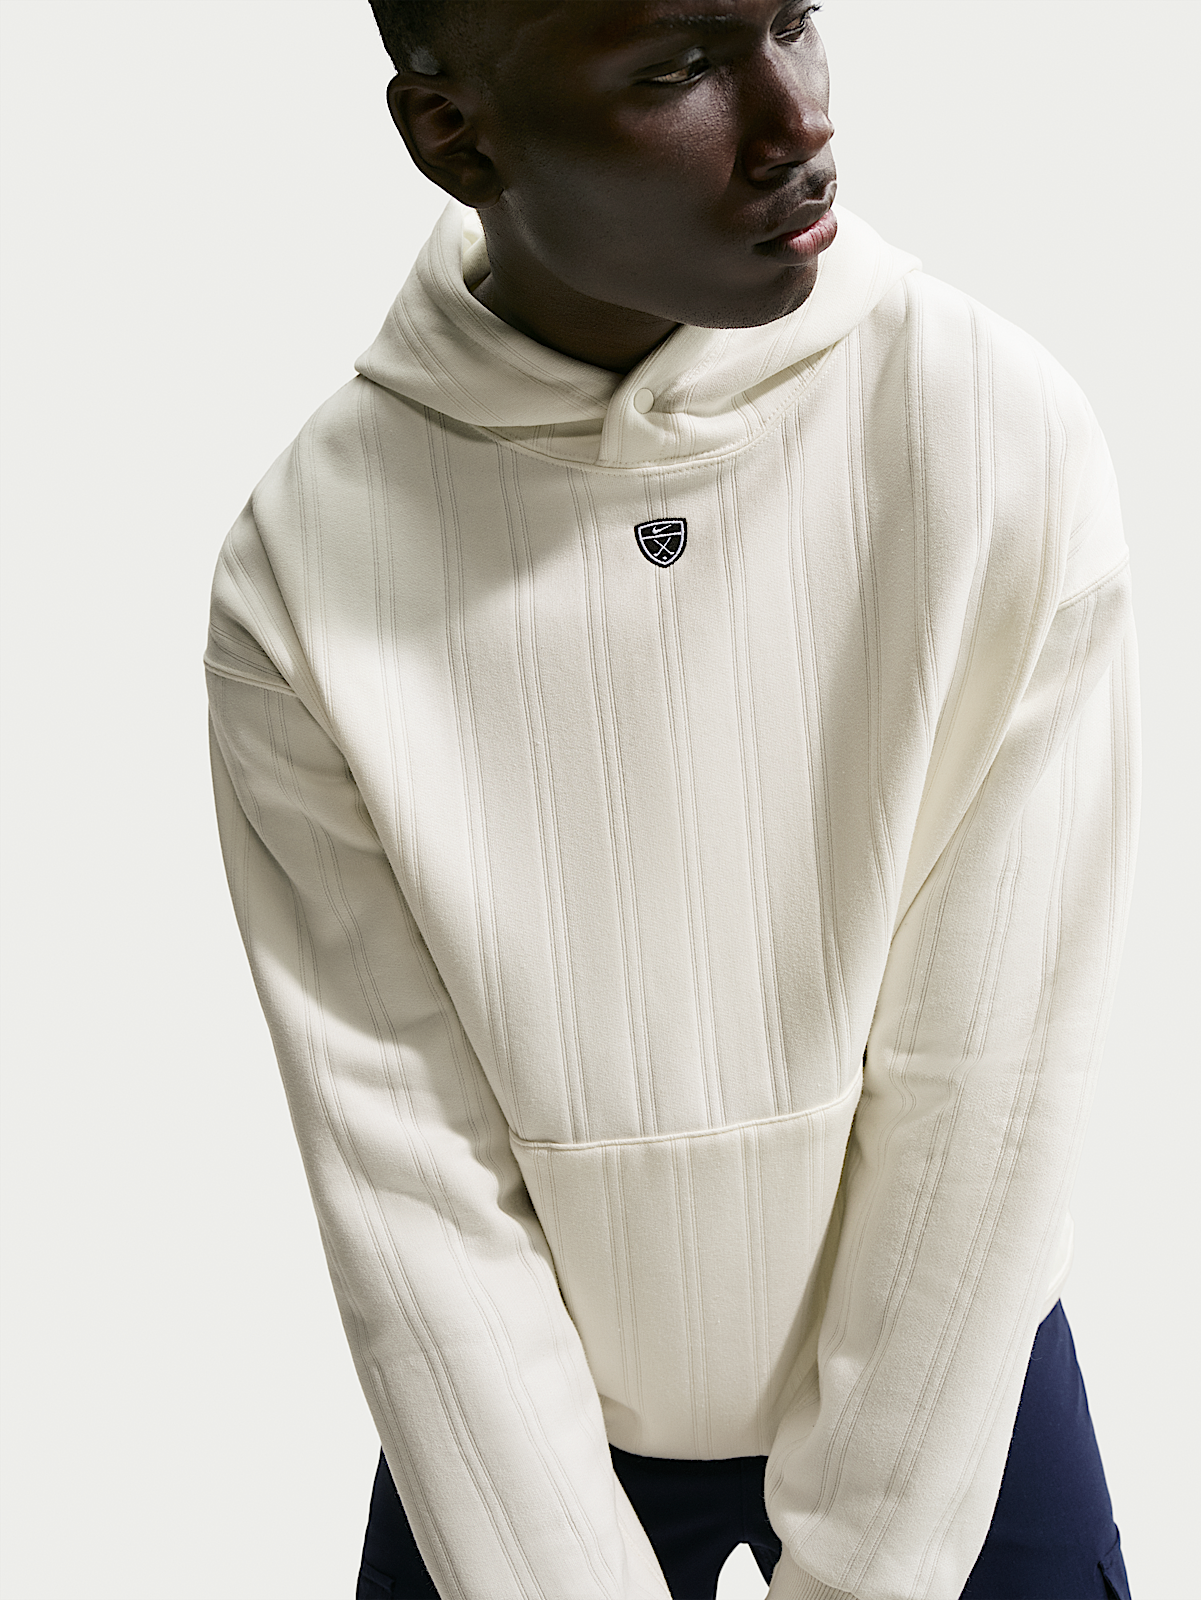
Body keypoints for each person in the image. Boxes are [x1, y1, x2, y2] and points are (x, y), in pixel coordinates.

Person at [205, 3, 1138, 1596]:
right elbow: (403, 1168)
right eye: (679, 71)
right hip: (519, 1432)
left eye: (794, 20)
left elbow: (988, 1081)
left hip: (951, 1388)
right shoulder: (306, 560)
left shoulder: (993, 434)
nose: (798, 124)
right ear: (454, 137)